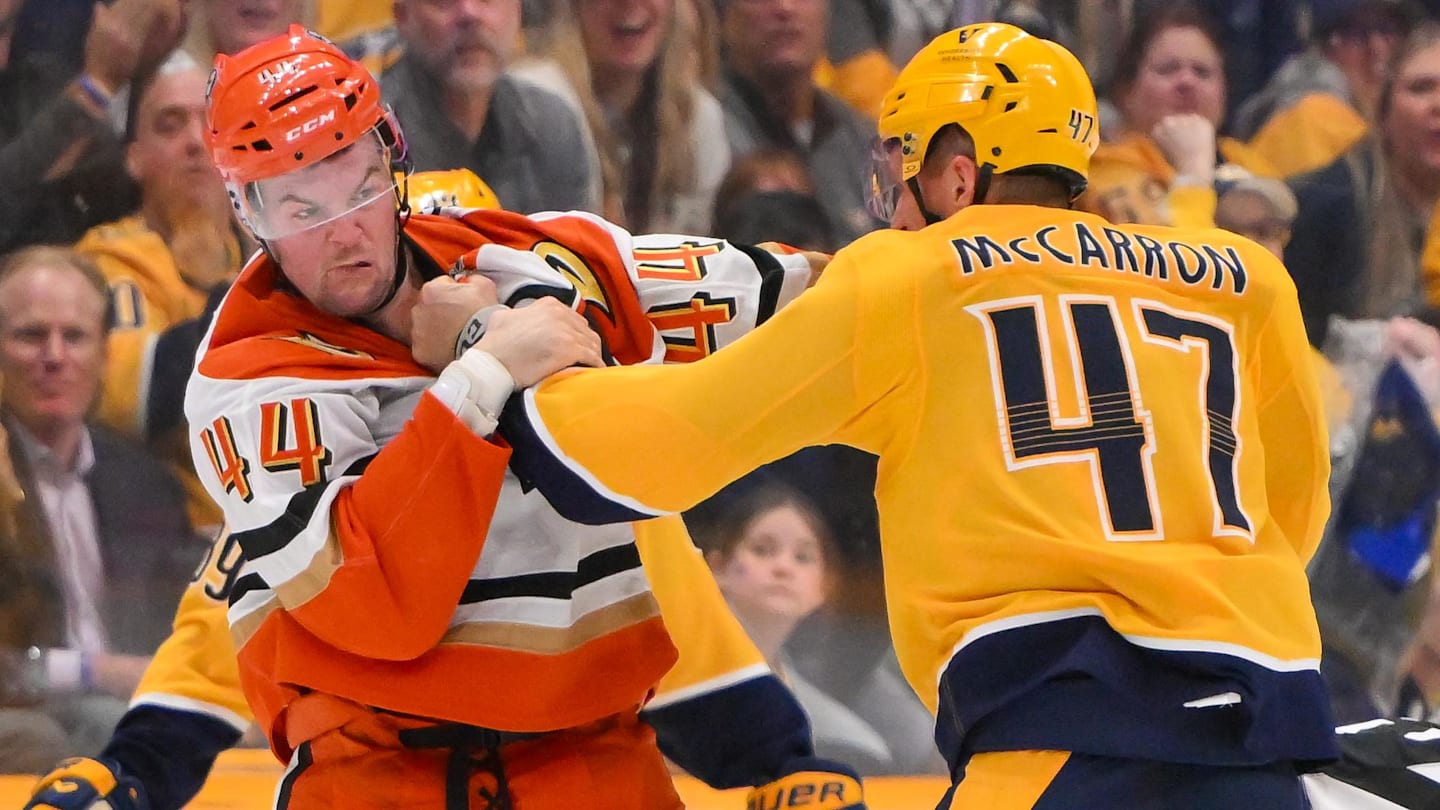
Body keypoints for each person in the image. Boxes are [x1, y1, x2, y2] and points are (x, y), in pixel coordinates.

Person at [499, 22, 1339, 807]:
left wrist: (512, 366)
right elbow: (1295, 511)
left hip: (1060, 738)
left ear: (957, 172)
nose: (895, 199)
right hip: (1267, 732)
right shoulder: (1245, 276)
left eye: (902, 165)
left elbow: (667, 445)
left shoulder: (911, 276)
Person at [26, 26, 863, 810]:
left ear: (393, 163)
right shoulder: (252, 379)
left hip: (588, 752)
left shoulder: (545, 260)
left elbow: (815, 302)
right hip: (376, 768)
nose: (346, 236)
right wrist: (486, 366)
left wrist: (779, 756)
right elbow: (285, 603)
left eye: (358, 190)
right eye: (299, 207)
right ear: (246, 210)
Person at [0, 246, 199, 774]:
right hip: (19, 710)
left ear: (106, 355)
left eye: (76, 336)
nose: (54, 356)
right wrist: (94, 671)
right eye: (30, 335)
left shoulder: (143, 483)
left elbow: (177, 626)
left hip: (118, 705)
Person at [698, 482, 941, 776]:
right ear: (716, 568)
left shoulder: (847, 742)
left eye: (803, 557)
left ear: (823, 587)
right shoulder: (666, 680)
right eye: (762, 550)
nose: (783, 567)